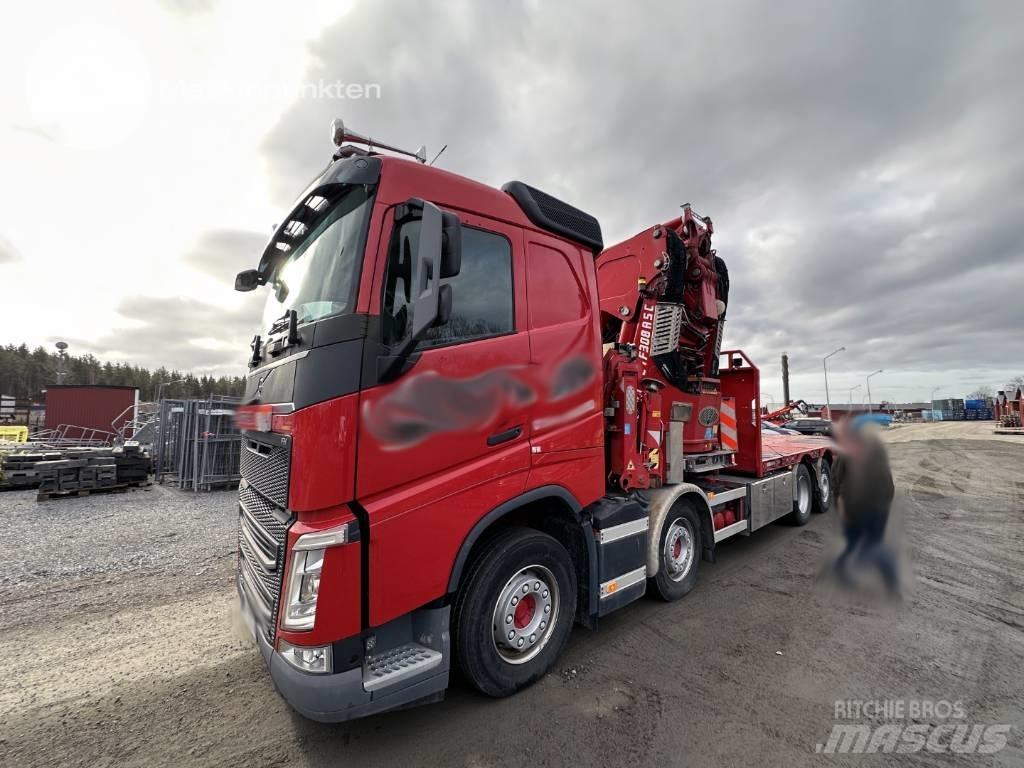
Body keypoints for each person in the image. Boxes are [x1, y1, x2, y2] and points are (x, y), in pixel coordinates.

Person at [831, 416, 899, 595]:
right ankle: (844, 570)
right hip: (858, 508)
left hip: (875, 508)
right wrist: (842, 507)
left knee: (870, 544)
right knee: (860, 544)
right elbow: (838, 484)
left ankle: (889, 582)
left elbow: (887, 482)